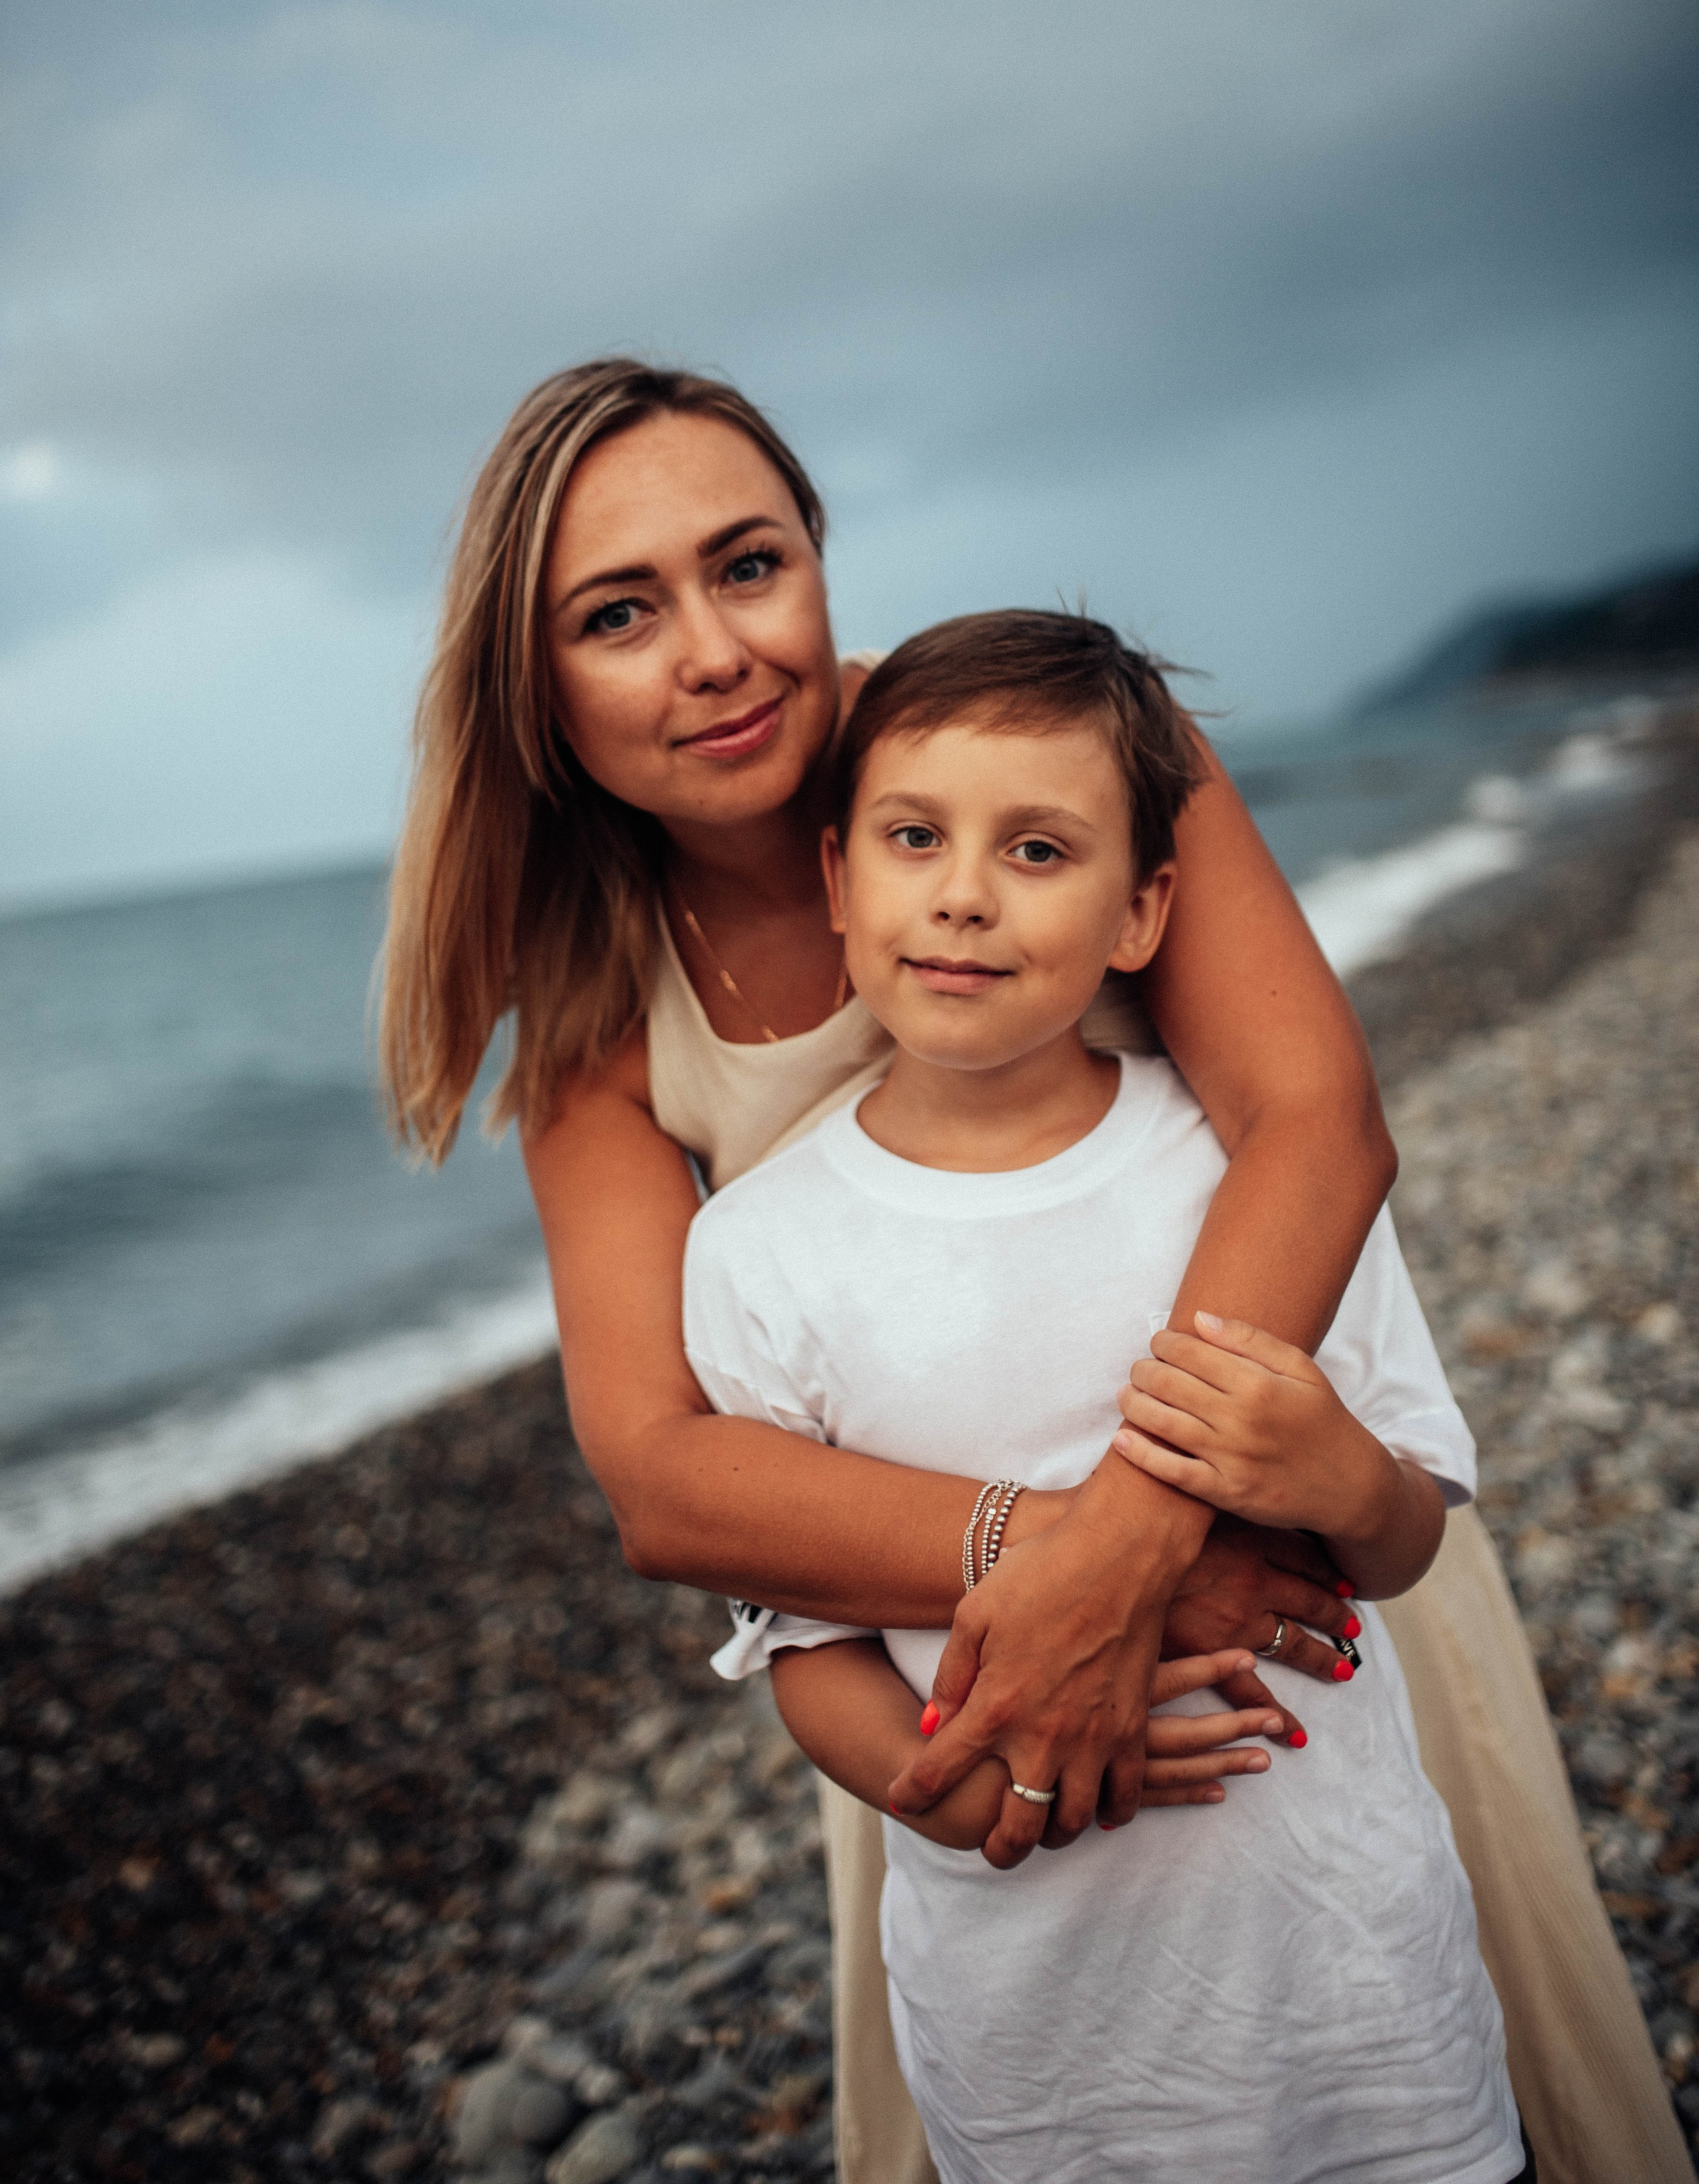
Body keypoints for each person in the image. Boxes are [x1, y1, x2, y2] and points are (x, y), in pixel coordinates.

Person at [379, 358, 1688, 2184]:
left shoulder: (1040, 746)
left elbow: (1316, 1119)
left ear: (820, 561)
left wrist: (1152, 1538)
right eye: (619, 613)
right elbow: (666, 1475)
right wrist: (1043, 1575)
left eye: (747, 564)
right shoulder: (600, 998)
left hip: (1270, 1557)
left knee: (1424, 2074)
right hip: (946, 1666)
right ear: (540, 690)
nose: (716, 652)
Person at [684, 609, 1524, 2183]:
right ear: (836, 883)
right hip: (1039, 2031)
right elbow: (803, 1651)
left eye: (1038, 850)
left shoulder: (1236, 1176)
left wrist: (1332, 1468)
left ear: (1143, 912)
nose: (961, 893)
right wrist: (956, 1793)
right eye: (914, 837)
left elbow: (1401, 1534)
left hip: (1354, 1983)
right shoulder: (757, 1254)